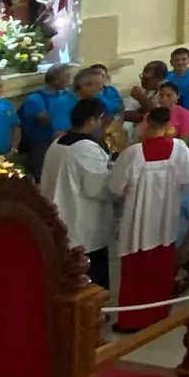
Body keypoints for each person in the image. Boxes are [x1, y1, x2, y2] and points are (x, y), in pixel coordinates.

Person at [108, 107, 189, 330]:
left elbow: (115, 187)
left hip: (138, 219)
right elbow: (188, 181)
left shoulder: (133, 153)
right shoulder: (180, 149)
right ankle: (159, 314)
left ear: (146, 124)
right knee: (161, 267)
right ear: (168, 126)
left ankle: (131, 320)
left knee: (136, 270)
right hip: (165, 219)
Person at [39, 97, 113, 290]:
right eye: (101, 119)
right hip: (82, 226)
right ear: (91, 120)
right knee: (90, 281)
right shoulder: (86, 148)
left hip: (58, 222)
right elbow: (97, 188)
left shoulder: (57, 143)